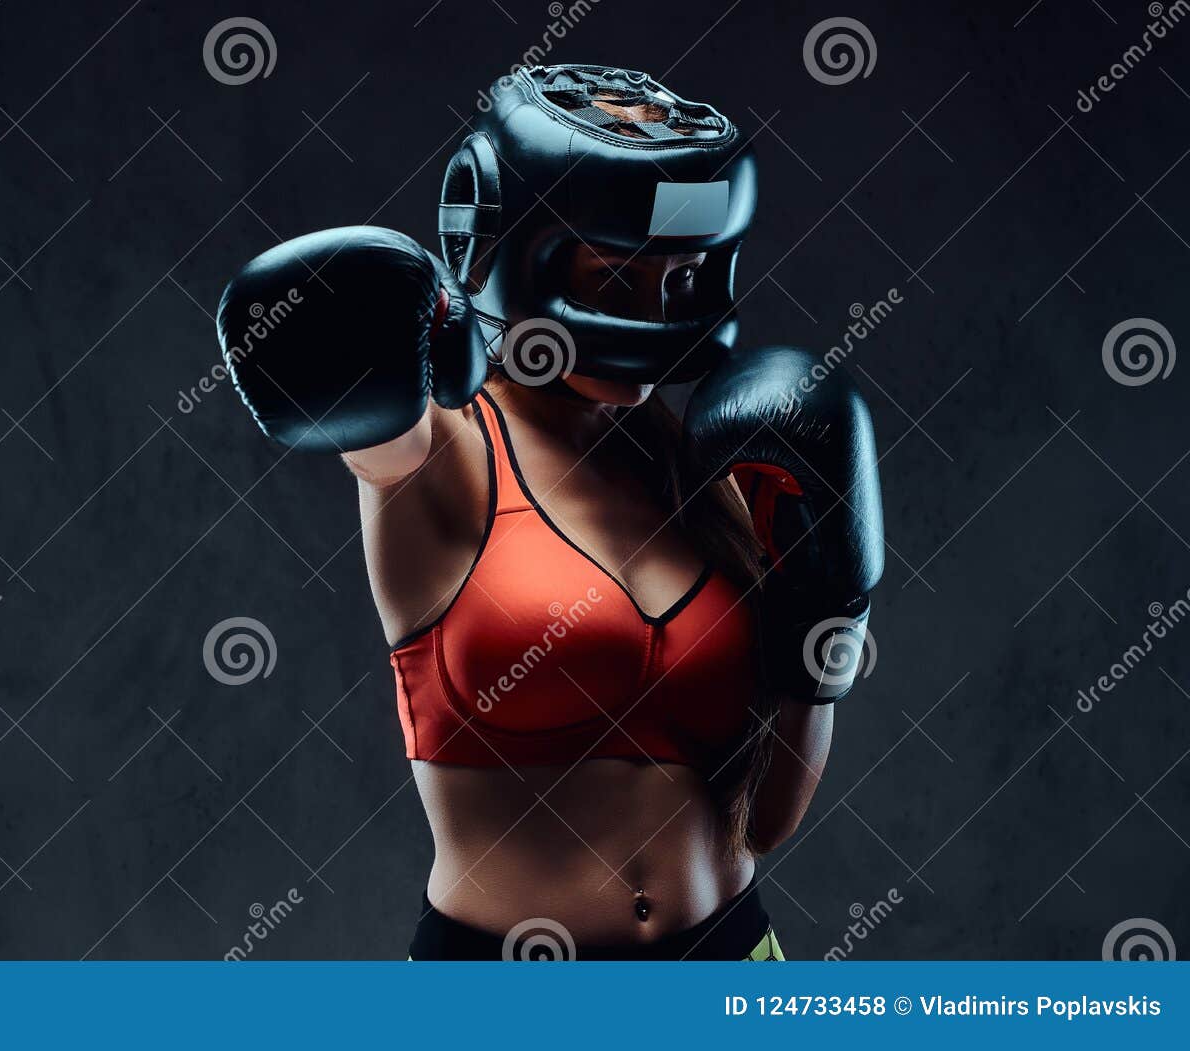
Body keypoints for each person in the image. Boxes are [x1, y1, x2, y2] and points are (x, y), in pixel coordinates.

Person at [216, 65, 883, 960]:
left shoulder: (713, 472)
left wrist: (831, 608)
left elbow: (763, 823)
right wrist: (366, 316)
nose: (653, 312)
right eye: (616, 279)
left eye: (679, 281)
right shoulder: (440, 456)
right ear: (508, 246)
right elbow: (313, 359)